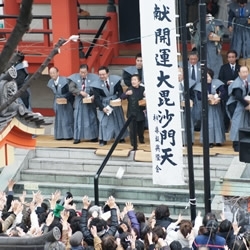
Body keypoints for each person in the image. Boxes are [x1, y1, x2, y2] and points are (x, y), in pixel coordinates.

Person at [92, 66, 128, 146]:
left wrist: (118, 99)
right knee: (104, 122)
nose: (102, 76)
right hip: (104, 103)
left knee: (118, 120)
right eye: (100, 74)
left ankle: (120, 137)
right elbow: (97, 98)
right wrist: (102, 108)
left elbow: (120, 90)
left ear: (108, 73)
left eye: (103, 74)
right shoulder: (96, 84)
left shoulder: (115, 80)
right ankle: (103, 139)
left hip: (115, 102)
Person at [68, 64, 99, 144]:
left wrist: (92, 96)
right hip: (79, 101)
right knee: (78, 119)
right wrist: (79, 92)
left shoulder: (94, 78)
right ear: (79, 71)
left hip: (90, 101)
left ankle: (93, 136)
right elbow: (71, 88)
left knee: (91, 118)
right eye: (81, 72)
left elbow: (97, 88)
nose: (83, 74)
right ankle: (77, 137)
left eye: (84, 72)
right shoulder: (74, 78)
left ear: (87, 72)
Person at [197, 68, 226, 147]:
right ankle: (208, 141)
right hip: (206, 107)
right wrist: (207, 96)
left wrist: (218, 98)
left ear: (211, 76)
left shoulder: (217, 82)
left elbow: (223, 92)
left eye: (208, 76)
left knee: (218, 122)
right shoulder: (200, 84)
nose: (207, 78)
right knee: (208, 124)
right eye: (205, 76)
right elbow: (199, 96)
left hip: (216, 106)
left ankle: (219, 140)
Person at [191, 13, 224, 78]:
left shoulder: (216, 25)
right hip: (202, 48)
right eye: (206, 17)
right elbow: (196, 38)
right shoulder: (199, 25)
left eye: (209, 17)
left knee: (215, 65)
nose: (208, 19)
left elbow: (220, 37)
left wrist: (215, 36)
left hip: (213, 48)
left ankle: (215, 79)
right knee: (204, 65)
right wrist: (195, 45)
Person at [226, 65, 250, 152]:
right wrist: (246, 105)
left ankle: (244, 143)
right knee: (237, 124)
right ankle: (236, 144)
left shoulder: (247, 80)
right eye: (243, 72)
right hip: (235, 105)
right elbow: (238, 96)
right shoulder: (237, 83)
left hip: (243, 103)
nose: (245, 74)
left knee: (245, 123)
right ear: (239, 73)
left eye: (246, 72)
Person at [47, 67, 74, 141]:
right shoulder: (51, 82)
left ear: (58, 73)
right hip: (57, 101)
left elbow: (70, 92)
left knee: (67, 118)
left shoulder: (65, 81)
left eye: (54, 73)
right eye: (51, 73)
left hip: (66, 102)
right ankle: (59, 135)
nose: (52, 74)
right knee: (59, 119)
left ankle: (69, 135)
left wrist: (65, 98)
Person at [218, 50, 240, 132]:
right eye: (229, 57)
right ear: (227, 58)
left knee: (237, 110)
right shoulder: (223, 67)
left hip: (237, 92)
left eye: (233, 57)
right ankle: (225, 128)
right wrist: (226, 82)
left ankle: (237, 128)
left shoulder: (240, 67)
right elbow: (220, 79)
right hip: (227, 91)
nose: (231, 59)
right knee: (225, 111)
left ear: (236, 58)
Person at [120, 74, 145, 146]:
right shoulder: (129, 89)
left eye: (135, 80)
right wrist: (126, 93)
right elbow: (122, 97)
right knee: (132, 129)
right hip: (132, 112)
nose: (133, 81)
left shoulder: (142, 89)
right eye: (132, 80)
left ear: (139, 81)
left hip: (141, 111)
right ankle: (133, 143)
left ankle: (141, 139)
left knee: (141, 128)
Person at [178, 67, 195, 145]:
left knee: (188, 123)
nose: (178, 76)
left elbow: (192, 95)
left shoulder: (189, 83)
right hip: (176, 108)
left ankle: (189, 140)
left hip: (187, 107)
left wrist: (190, 100)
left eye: (179, 74)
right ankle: (180, 140)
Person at [187, 51, 201, 131]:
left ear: (198, 59)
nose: (193, 61)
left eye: (195, 59)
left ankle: (198, 125)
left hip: (199, 90)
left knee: (199, 108)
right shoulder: (183, 65)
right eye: (191, 59)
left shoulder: (202, 66)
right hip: (188, 90)